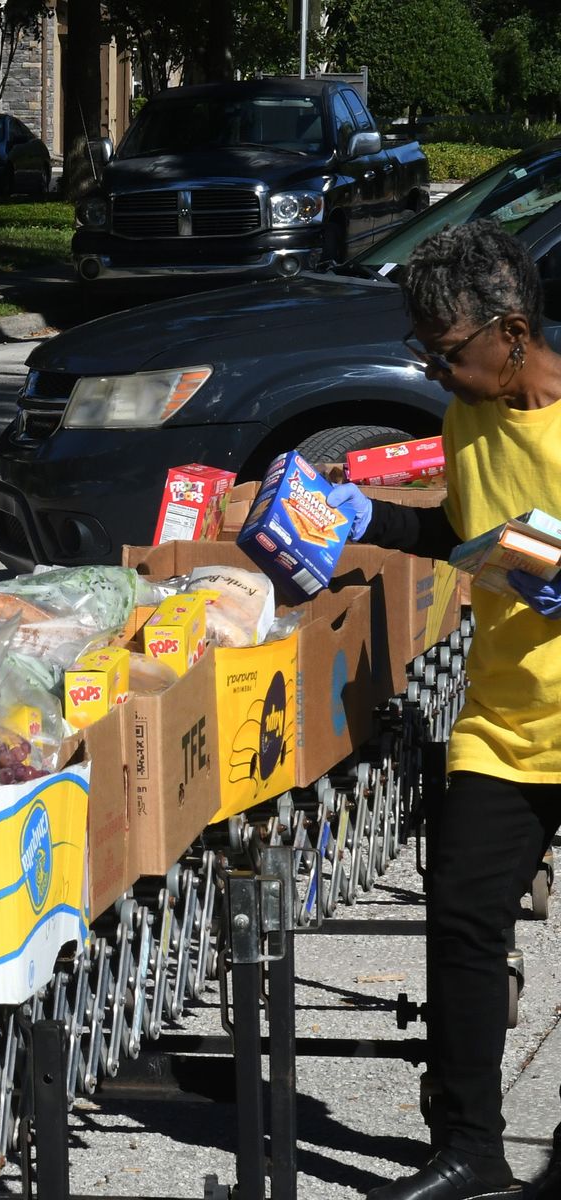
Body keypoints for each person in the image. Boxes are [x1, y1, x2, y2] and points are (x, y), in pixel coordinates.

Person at [325, 219, 561, 1200]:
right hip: (506, 723)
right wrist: (359, 516)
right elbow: (463, 530)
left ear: (511, 333)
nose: (438, 370)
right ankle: (470, 1148)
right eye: (427, 352)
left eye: (449, 352)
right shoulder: (468, 417)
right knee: (463, 923)